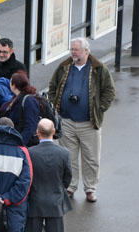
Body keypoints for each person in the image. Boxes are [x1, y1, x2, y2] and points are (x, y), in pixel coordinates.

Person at [48, 37, 115, 202]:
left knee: (91, 158)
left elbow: (109, 91)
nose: (73, 52)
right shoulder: (64, 67)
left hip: (89, 123)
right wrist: (56, 106)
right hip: (67, 122)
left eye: (76, 50)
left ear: (86, 51)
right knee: (69, 157)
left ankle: (90, 189)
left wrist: (99, 109)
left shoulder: (99, 69)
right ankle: (70, 187)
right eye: (72, 49)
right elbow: (53, 87)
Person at [19, 119, 72, 232]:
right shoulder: (63, 153)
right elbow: (67, 179)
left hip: (34, 203)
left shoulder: (30, 153)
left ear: (38, 132)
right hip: (55, 204)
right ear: (54, 131)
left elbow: (26, 177)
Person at [0, 70, 40, 146]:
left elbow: (30, 126)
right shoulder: (16, 98)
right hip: (15, 139)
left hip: (25, 145)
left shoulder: (29, 101)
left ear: (14, 85)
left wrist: (20, 144)